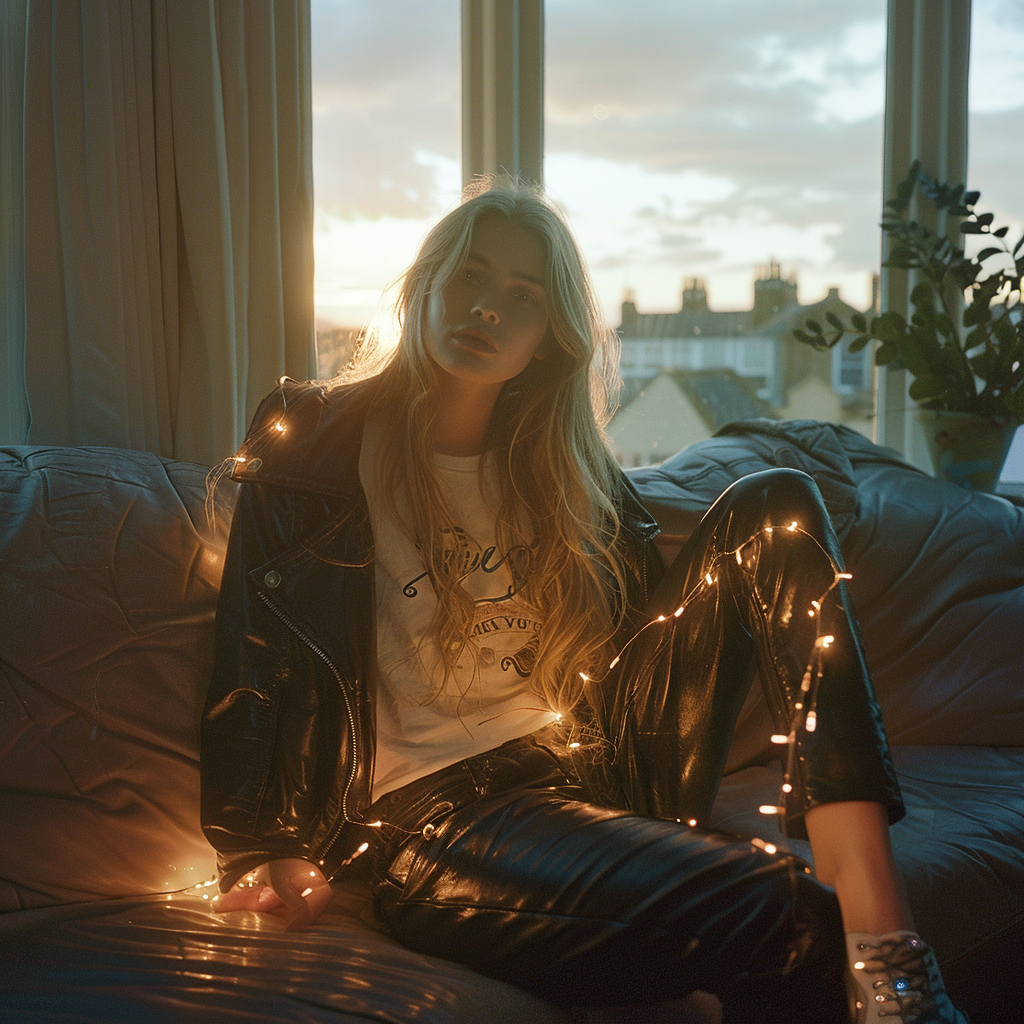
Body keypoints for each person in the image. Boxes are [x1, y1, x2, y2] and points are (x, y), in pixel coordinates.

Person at [202, 177, 966, 1024]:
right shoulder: (311, 445)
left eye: (521, 295)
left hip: (601, 765)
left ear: (549, 340)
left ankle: (890, 954)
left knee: (778, 505)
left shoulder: (569, 476)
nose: (487, 308)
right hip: (440, 821)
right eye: (469, 275)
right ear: (421, 287)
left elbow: (655, 641)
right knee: (783, 915)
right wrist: (254, 849)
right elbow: (252, 659)